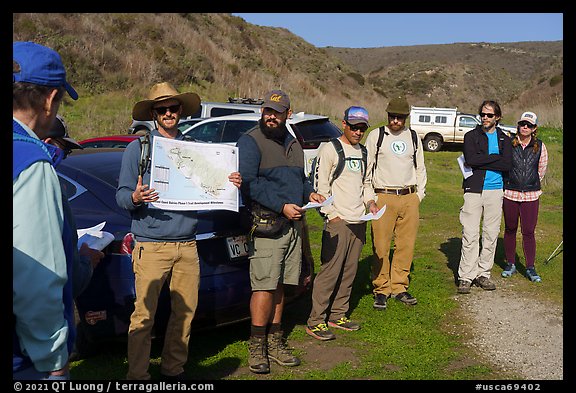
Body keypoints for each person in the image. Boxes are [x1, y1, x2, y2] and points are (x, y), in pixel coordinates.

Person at [116, 82, 242, 380]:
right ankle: (138, 375)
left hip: (187, 245)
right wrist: (135, 197)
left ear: (181, 111)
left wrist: (229, 182)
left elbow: (212, 186)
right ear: (154, 114)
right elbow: (121, 196)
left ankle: (174, 370)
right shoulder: (139, 149)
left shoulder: (195, 148)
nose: (169, 113)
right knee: (143, 317)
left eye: (173, 108)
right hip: (151, 246)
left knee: (184, 316)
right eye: (162, 110)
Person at [237, 89, 325, 374]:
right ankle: (257, 347)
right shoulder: (251, 141)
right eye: (266, 111)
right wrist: (282, 205)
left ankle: (275, 344)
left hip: (293, 226)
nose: (270, 116)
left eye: (276, 112)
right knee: (263, 286)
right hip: (266, 226)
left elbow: (300, 179)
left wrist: (309, 193)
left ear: (288, 113)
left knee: (281, 286)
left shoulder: (293, 142)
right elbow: (249, 184)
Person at [13, 41, 78, 380]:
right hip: (23, 360)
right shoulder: (30, 162)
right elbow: (37, 276)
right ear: (50, 99)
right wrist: (53, 357)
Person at [306, 106, 374, 341]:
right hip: (338, 221)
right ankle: (316, 320)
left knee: (349, 271)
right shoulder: (330, 149)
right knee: (330, 272)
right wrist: (331, 214)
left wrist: (371, 203)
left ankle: (338, 314)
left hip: (359, 221)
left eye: (362, 128)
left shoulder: (364, 152)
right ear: (343, 124)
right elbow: (320, 186)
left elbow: (366, 183)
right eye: (354, 127)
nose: (357, 132)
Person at [363, 96, 427, 310]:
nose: (396, 121)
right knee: (380, 245)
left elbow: (420, 169)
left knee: (406, 245)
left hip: (409, 197)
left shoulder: (414, 137)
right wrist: (370, 198)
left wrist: (418, 196)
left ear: (406, 118)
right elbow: (367, 170)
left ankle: (399, 286)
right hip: (383, 196)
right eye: (392, 117)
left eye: (400, 117)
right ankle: (381, 288)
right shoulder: (376, 136)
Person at [44, 115, 105, 297]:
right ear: (49, 144)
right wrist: (86, 259)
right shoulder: (50, 187)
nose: (64, 158)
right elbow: (73, 279)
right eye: (64, 151)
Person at [457, 100, 512, 294]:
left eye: (489, 115)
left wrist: (485, 161)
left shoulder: (505, 139)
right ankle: (466, 276)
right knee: (470, 233)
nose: (485, 118)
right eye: (482, 114)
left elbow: (507, 165)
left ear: (497, 117)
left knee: (490, 234)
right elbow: (471, 160)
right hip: (474, 190)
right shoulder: (471, 136)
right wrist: (496, 158)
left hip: (496, 191)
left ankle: (483, 274)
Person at [501, 112, 548, 283]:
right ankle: (510, 263)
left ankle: (530, 267)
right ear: (518, 125)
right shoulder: (509, 144)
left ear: (534, 128)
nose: (525, 127)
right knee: (510, 228)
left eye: (529, 125)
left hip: (531, 195)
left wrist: (530, 183)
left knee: (528, 231)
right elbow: (504, 165)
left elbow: (541, 169)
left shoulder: (540, 146)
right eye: (522, 124)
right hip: (510, 193)